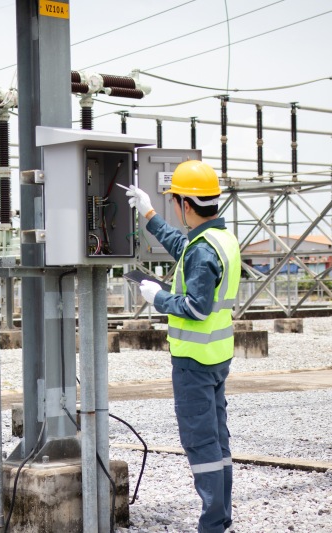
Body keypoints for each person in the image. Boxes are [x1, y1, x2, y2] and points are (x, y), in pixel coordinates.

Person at [126, 160, 241, 533]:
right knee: (218, 440)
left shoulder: (204, 249)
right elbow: (183, 247)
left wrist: (158, 297)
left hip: (194, 360)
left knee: (201, 443)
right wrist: (149, 213)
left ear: (186, 205)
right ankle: (221, 520)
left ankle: (212, 525)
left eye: (174, 201)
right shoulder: (219, 240)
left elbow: (194, 306)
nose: (176, 208)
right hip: (216, 356)